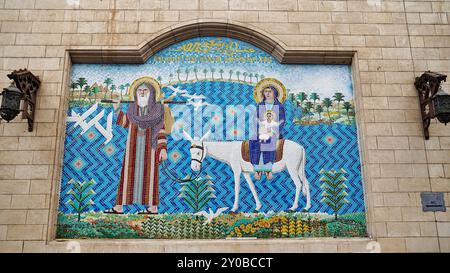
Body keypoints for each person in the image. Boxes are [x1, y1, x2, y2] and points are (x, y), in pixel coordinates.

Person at [104, 79, 167, 214]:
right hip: (133, 148)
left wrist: (162, 149)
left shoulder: (157, 110)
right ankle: (119, 207)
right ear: (135, 93)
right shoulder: (132, 109)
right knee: (127, 175)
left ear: (152, 93)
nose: (142, 93)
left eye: (145, 90)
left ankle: (153, 208)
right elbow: (125, 123)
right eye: (140, 90)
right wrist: (117, 109)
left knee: (150, 176)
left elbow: (161, 130)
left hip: (150, 149)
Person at [249, 85, 285, 180]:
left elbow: (282, 120)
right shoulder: (260, 105)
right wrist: (260, 131)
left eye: (270, 91)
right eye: (266, 91)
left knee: (269, 141)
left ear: (275, 93)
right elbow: (255, 120)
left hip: (274, 132)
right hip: (261, 131)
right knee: (254, 141)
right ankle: (257, 169)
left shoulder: (279, 106)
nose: (268, 93)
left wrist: (274, 131)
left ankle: (268, 170)